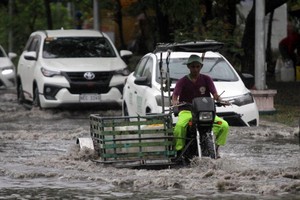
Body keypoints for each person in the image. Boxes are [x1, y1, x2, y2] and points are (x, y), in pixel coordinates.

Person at [172, 54, 229, 158]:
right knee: (179, 127)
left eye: (197, 66)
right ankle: (179, 151)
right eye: (193, 66)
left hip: (204, 112)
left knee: (224, 126)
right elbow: (175, 95)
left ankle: (215, 147)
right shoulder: (182, 81)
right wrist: (175, 102)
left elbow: (215, 95)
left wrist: (220, 100)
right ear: (188, 67)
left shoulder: (207, 79)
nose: (195, 69)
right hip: (187, 111)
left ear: (201, 67)